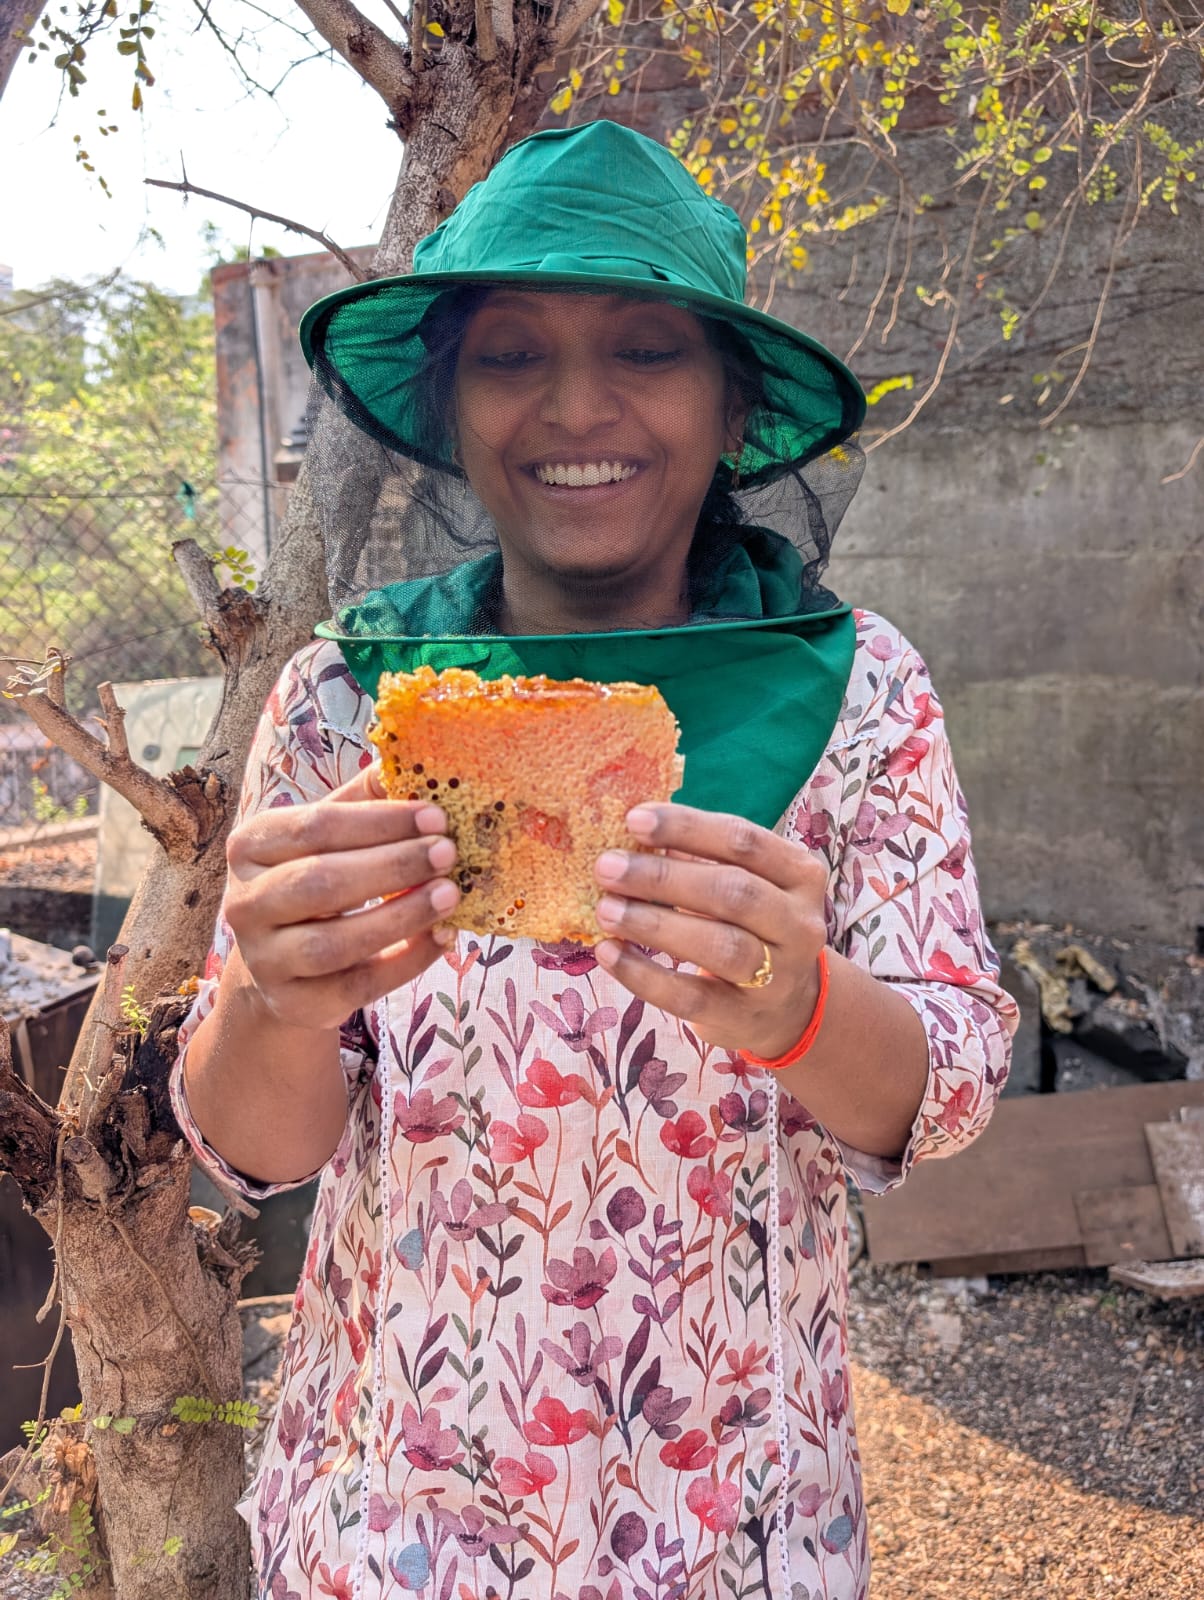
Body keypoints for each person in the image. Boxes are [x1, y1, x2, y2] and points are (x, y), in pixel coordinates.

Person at [172, 121, 1017, 1600]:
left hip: (739, 1512)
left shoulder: (858, 692)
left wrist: (802, 1006)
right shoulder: (349, 695)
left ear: (732, 399)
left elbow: (944, 1093)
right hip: (396, 1509)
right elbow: (256, 1144)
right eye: (509, 356)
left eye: (645, 348)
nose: (576, 406)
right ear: (444, 402)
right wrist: (274, 1000)